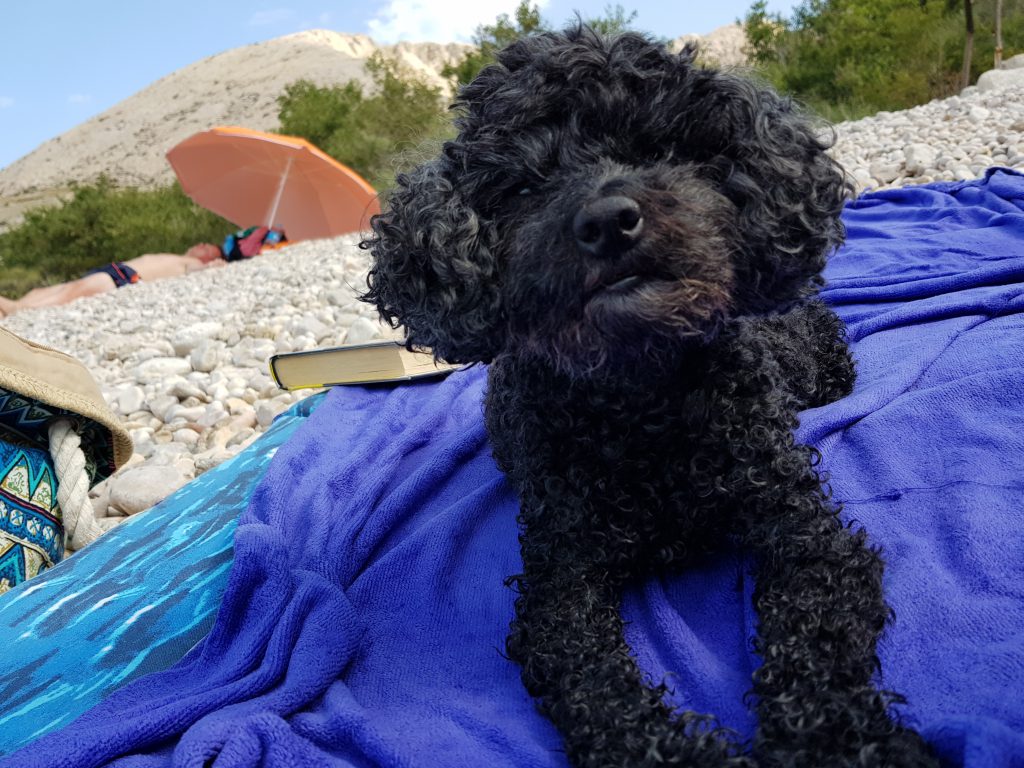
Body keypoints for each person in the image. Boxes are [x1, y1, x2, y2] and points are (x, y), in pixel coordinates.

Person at [0, 243, 224, 317]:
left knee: (71, 292)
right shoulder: (176, 255)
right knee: (56, 289)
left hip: (124, 276)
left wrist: (212, 266)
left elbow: (199, 270)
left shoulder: (189, 262)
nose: (201, 244)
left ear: (209, 257)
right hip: (116, 269)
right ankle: (15, 305)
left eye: (207, 247)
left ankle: (16, 308)